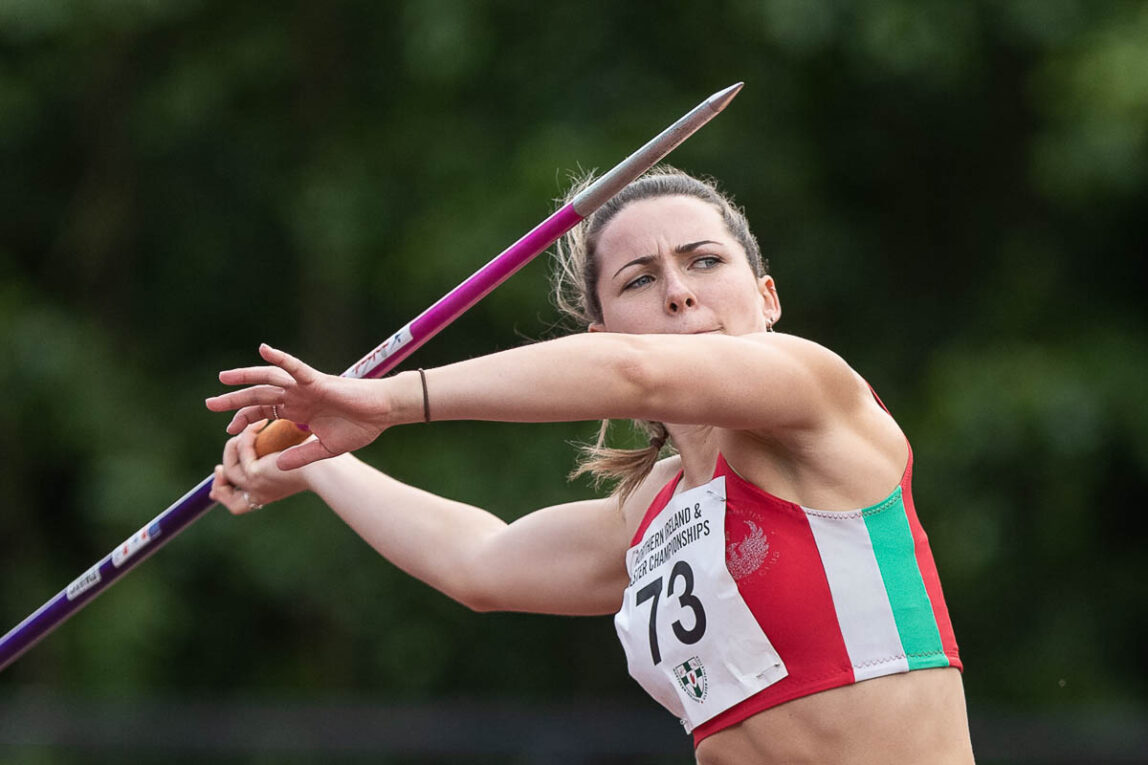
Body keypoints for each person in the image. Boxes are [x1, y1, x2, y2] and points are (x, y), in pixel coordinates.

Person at [206, 167, 975, 764]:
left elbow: (638, 374)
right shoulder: (655, 512)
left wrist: (386, 401)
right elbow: (481, 562)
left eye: (704, 262)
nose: (678, 293)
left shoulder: (821, 397)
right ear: (601, 327)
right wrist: (315, 463)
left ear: (767, 298)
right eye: (640, 279)